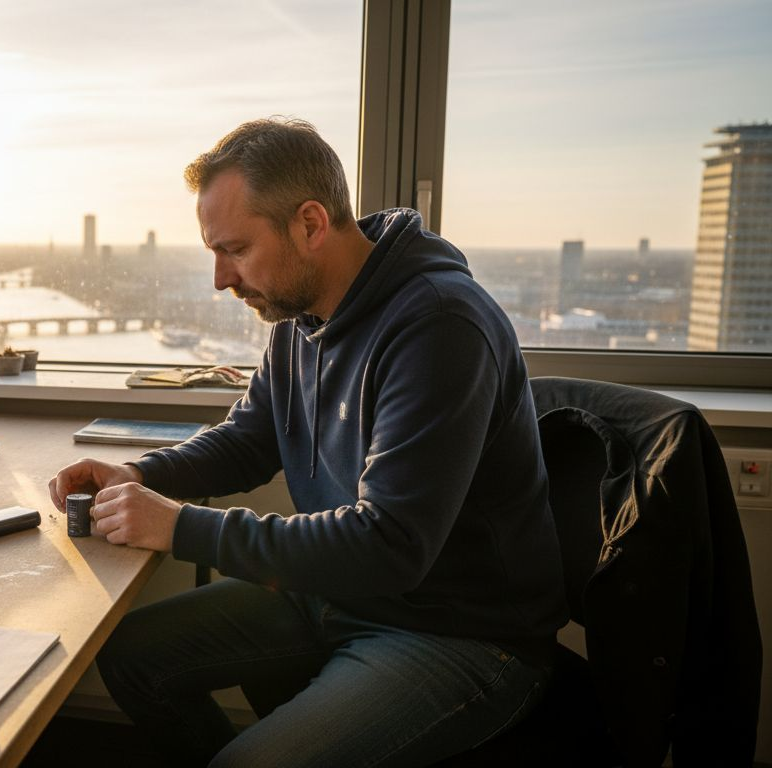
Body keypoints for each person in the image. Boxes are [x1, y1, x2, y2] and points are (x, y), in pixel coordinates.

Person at [48, 118, 567, 767]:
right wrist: (141, 475)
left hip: (456, 632)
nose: (220, 278)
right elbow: (250, 439)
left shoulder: (440, 325)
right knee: (130, 656)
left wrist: (179, 527)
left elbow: (389, 546)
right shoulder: (300, 315)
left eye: (236, 249)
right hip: (340, 593)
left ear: (311, 225)